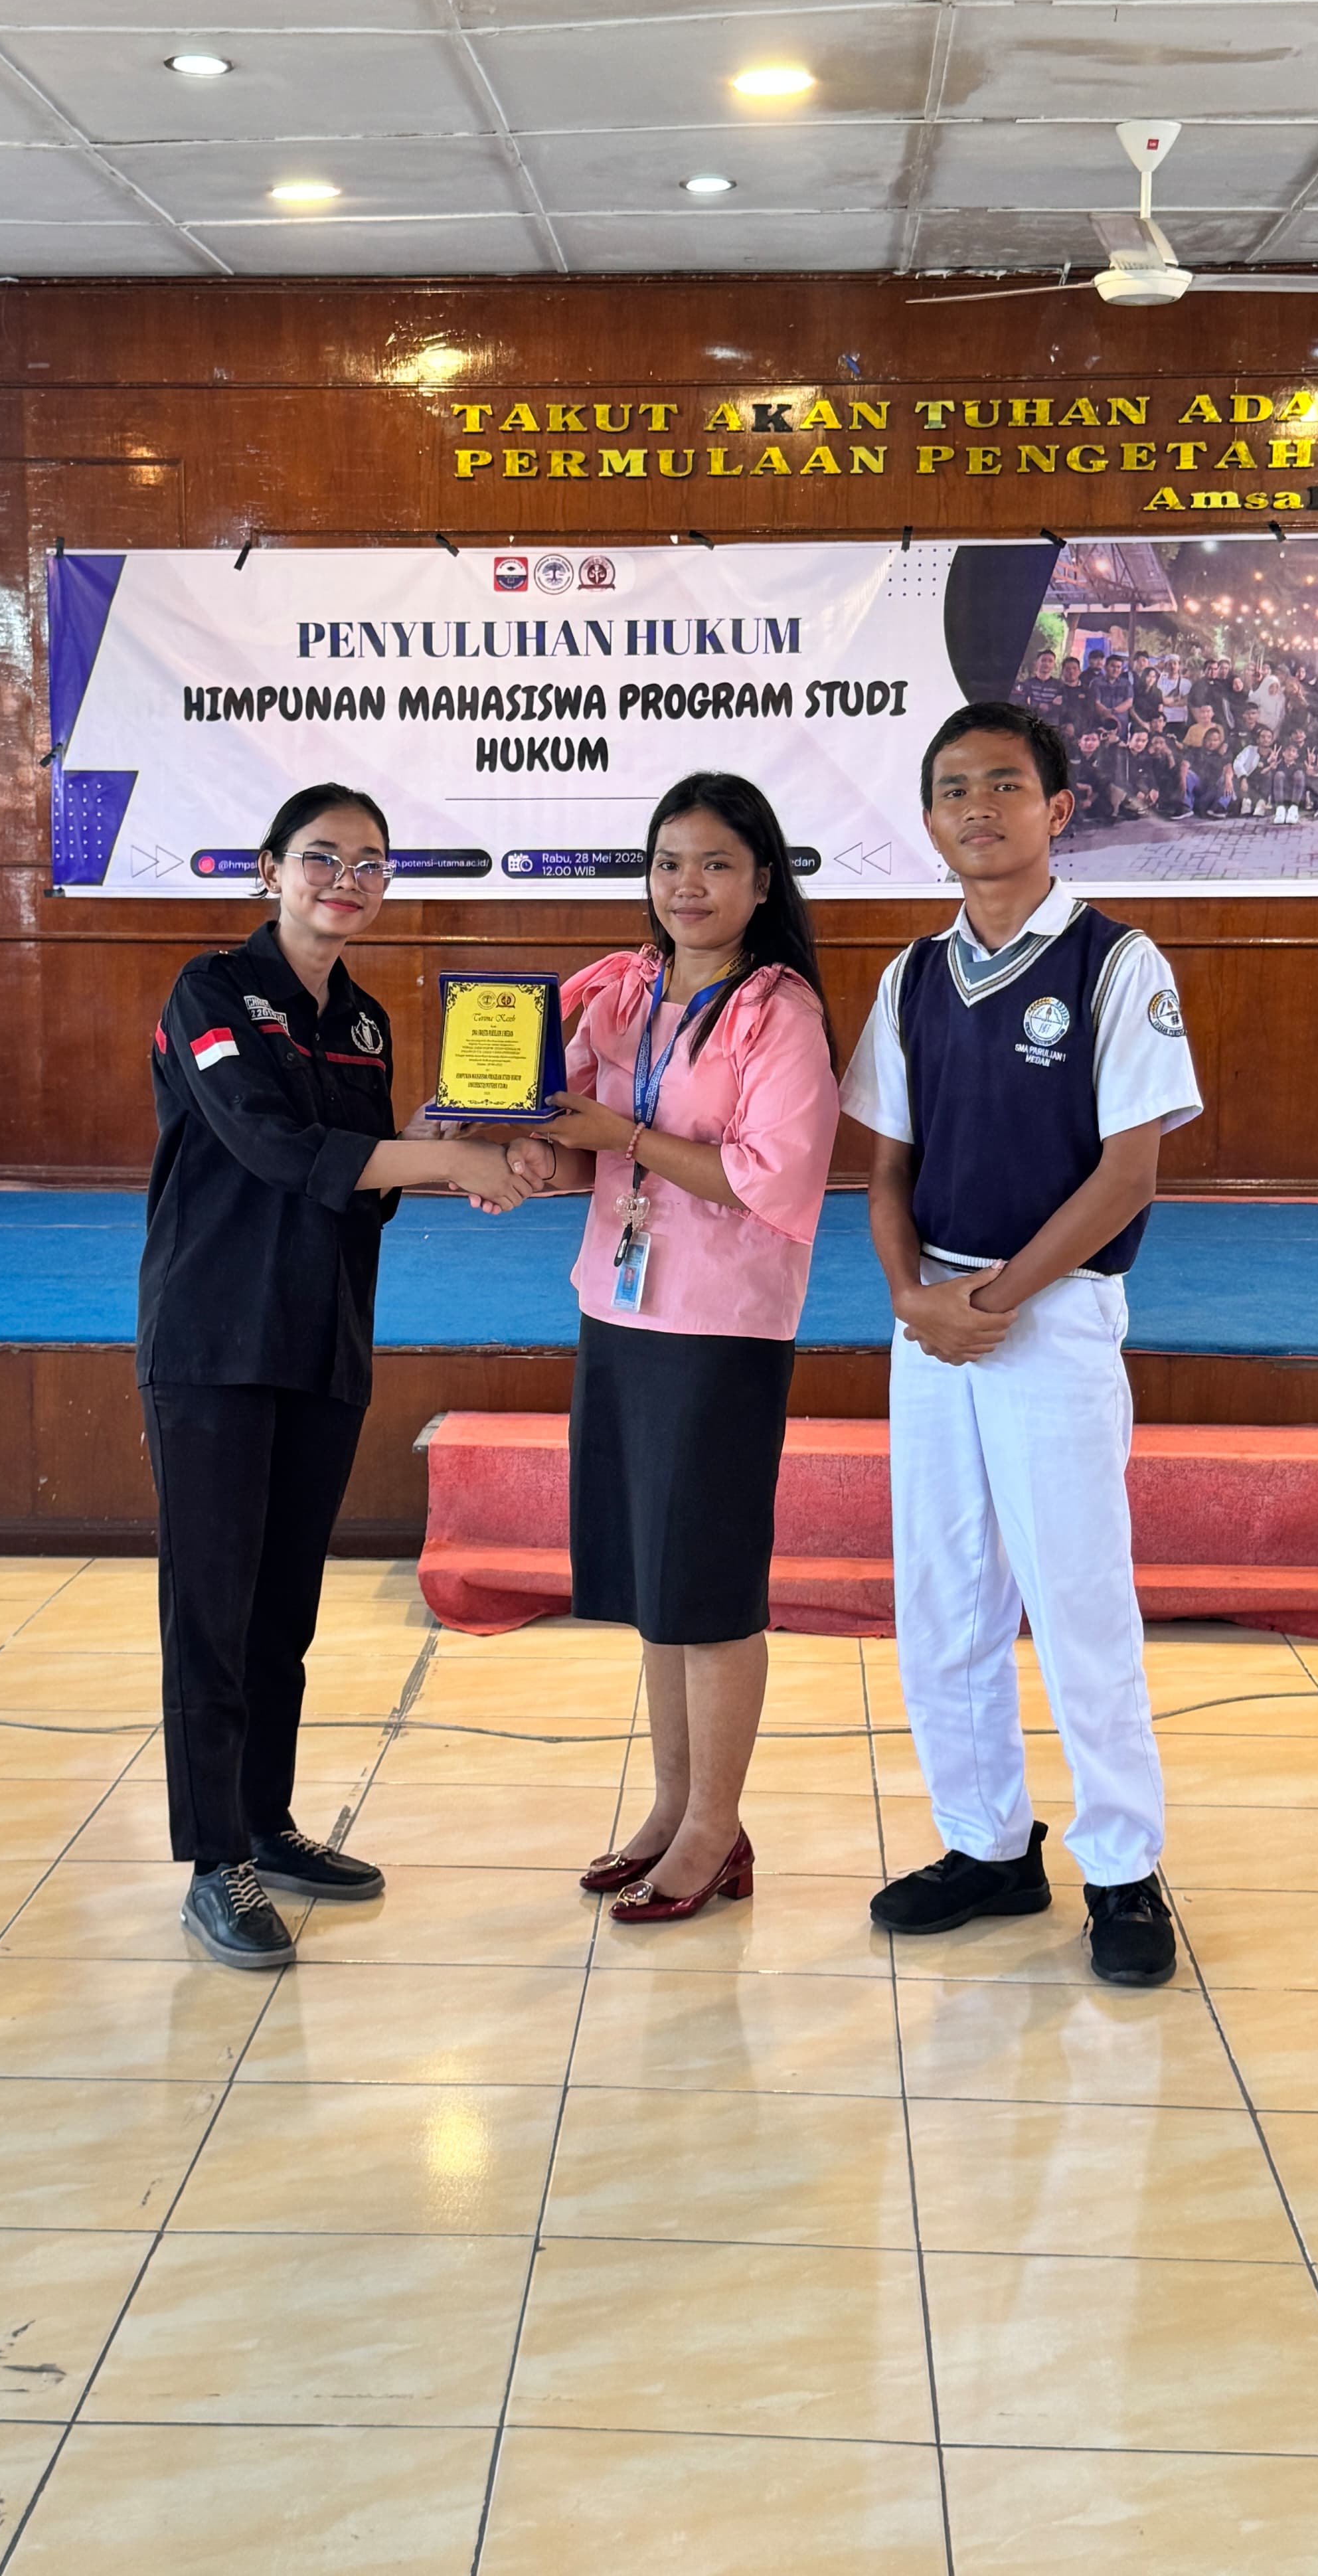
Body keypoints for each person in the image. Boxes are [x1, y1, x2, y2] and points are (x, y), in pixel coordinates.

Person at [841, 702, 1203, 1989]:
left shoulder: (1117, 963)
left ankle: (1123, 1865)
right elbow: (886, 1168)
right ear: (929, 819)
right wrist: (912, 1296)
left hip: (1047, 1317)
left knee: (1077, 1597)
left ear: (1057, 810)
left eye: (1004, 784)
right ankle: (987, 1844)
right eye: (954, 789)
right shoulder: (911, 976)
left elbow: (1127, 1176)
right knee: (944, 1595)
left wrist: (991, 1301)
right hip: (933, 1320)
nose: (978, 807)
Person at [139, 781, 528, 1969]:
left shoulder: (363, 1022)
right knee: (212, 1607)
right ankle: (214, 1860)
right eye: (321, 857)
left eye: (369, 863)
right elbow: (273, 1146)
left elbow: (367, 1189)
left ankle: (266, 1822)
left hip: (323, 1338)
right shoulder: (211, 990)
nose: (345, 881)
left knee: (283, 1607)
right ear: (271, 869)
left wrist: (446, 1153)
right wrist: (446, 1159)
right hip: (215, 1337)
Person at [531, 772, 840, 1925]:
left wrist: (622, 1132)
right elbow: (562, 1127)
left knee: (707, 1584)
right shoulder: (622, 992)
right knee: (655, 1580)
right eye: (669, 863)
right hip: (619, 1311)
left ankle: (717, 1828)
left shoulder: (779, 1011)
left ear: (762, 883)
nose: (687, 885)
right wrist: (516, 1154)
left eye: (716, 864)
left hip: (721, 1326)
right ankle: (673, 1811)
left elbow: (769, 1178)